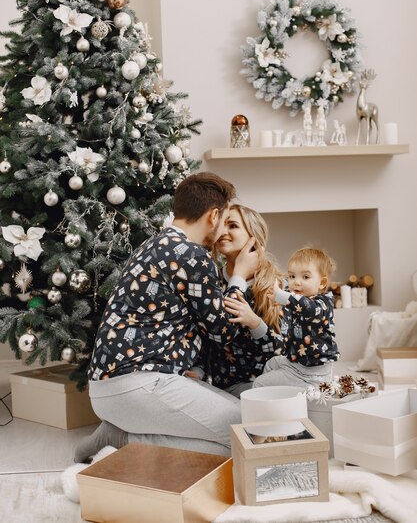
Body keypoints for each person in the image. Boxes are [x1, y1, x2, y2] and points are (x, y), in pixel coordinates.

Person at [74, 171, 258, 463]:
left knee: (242, 416)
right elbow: (223, 330)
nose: (223, 231)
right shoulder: (191, 255)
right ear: (212, 216)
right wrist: (238, 278)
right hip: (137, 384)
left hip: (114, 384)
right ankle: (123, 438)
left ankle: (123, 434)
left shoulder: (155, 244)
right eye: (224, 221)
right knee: (245, 435)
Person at [202, 204, 285, 397]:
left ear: (253, 235)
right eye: (222, 225)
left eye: (233, 225)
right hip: (221, 389)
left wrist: (255, 323)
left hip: (265, 388)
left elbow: (284, 349)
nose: (223, 231)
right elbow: (206, 336)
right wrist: (199, 370)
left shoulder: (275, 285)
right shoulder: (210, 281)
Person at [253, 246, 339, 389]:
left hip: (311, 371)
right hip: (295, 361)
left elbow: (307, 307)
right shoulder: (297, 299)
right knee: (271, 364)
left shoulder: (323, 304)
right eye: (292, 276)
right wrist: (276, 299)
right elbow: (294, 302)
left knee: (259, 383)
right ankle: (281, 394)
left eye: (305, 277)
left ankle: (298, 388)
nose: (296, 282)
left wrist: (283, 296)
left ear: (322, 283)